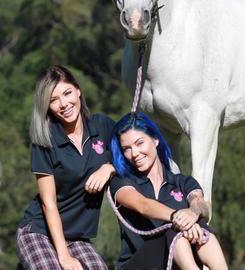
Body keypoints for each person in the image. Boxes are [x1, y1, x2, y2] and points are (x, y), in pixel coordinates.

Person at [16, 65, 115, 270]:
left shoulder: (101, 126)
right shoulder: (45, 140)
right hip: (39, 231)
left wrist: (109, 168)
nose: (63, 104)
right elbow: (48, 202)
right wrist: (64, 256)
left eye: (67, 93)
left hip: (77, 236)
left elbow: (133, 152)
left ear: (78, 90)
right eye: (53, 100)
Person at [109, 112, 228, 270]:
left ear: (155, 140)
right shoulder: (121, 181)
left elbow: (201, 204)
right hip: (137, 265)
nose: (134, 153)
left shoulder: (182, 182)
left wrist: (193, 212)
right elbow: (143, 205)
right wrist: (177, 217)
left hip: (173, 264)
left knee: (196, 220)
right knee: (174, 226)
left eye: (139, 143)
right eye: (127, 149)